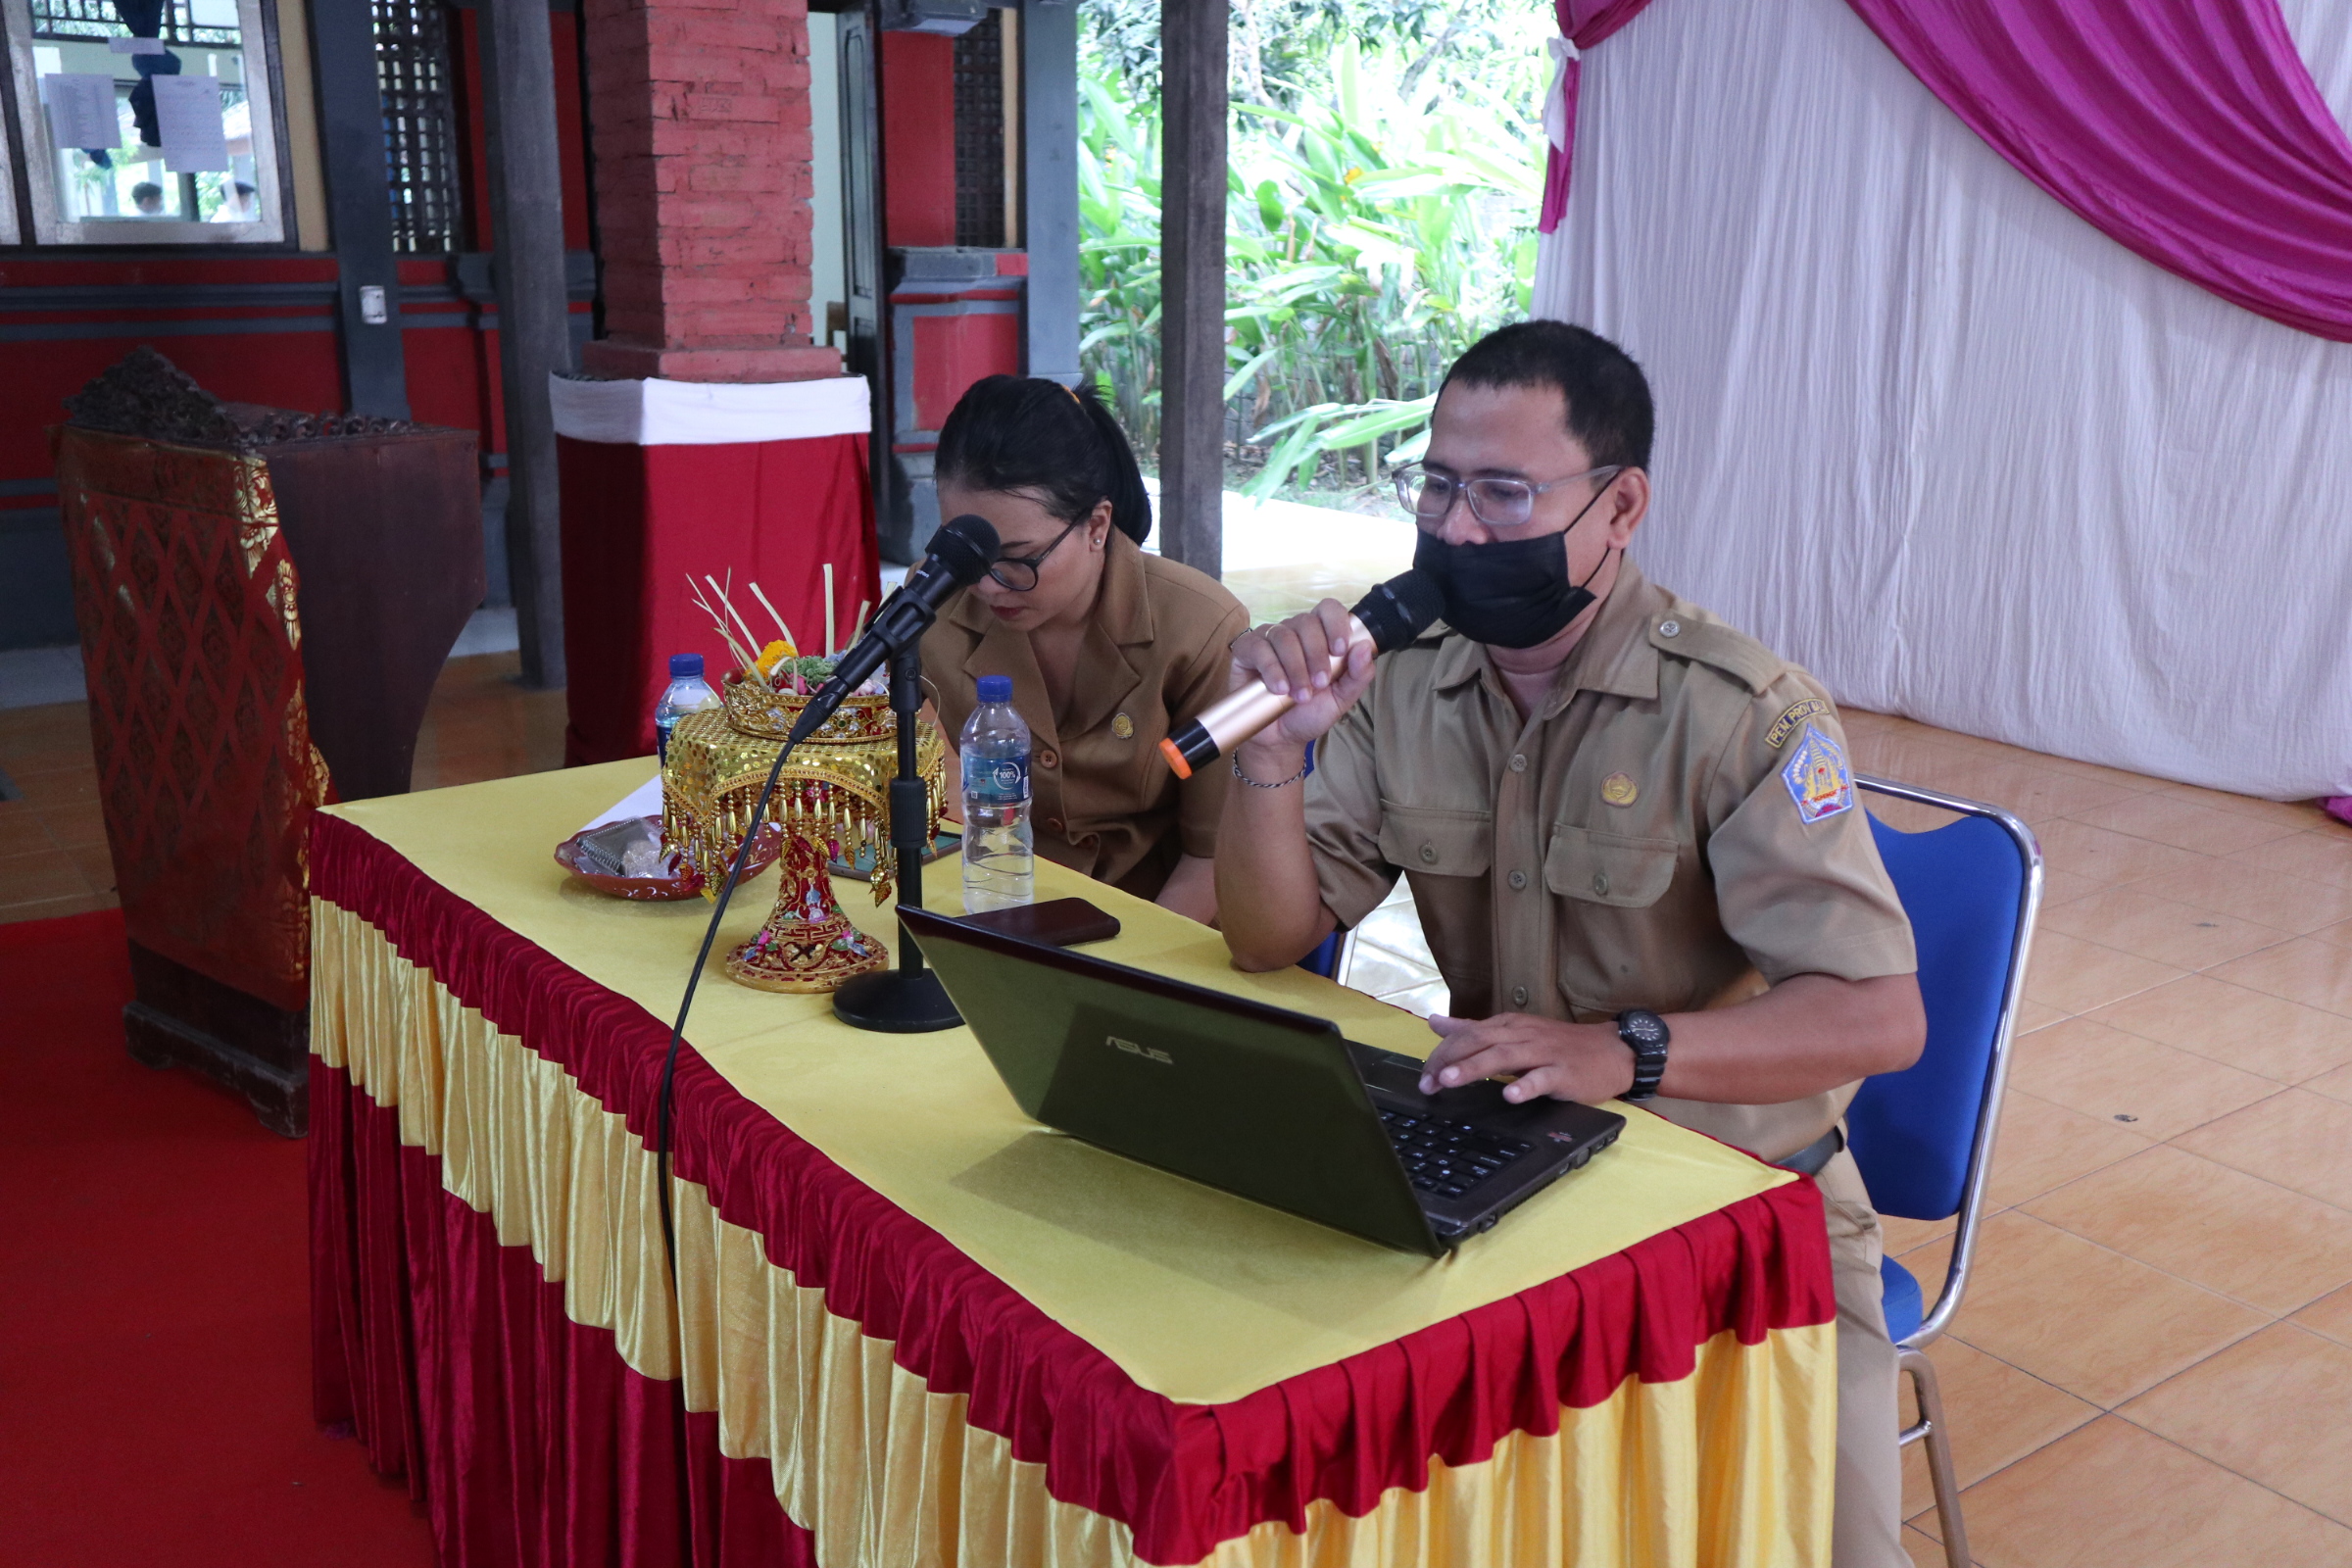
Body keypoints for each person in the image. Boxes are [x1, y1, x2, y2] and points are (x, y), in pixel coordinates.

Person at [1213, 320, 1922, 1568]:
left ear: (1621, 505)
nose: (1460, 529)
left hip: (1749, 1203)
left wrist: (1627, 1051)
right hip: (1518, 1172)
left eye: (1503, 492)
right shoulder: (1405, 685)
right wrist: (1272, 763)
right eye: (1437, 485)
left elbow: (1879, 1014)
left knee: (1830, 1549)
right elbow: (1271, 937)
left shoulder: (1739, 712)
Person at [920, 375, 1249, 924]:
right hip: (986, 909)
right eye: (969, 554)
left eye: (1019, 558)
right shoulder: (931, 609)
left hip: (1150, 929)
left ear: (1096, 525)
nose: (989, 584)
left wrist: (1128, 978)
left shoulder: (1199, 630)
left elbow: (1213, 853)